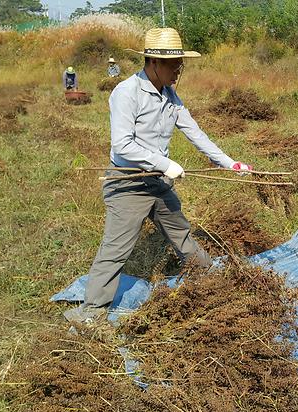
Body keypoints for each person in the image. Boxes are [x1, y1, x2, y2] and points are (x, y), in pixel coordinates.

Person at [63, 28, 253, 323]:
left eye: (181, 65)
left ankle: (211, 279)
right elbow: (123, 145)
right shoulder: (126, 93)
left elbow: (195, 132)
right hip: (129, 183)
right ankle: (92, 314)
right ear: (153, 63)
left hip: (157, 182)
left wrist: (229, 163)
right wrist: (165, 164)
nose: (178, 71)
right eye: (174, 65)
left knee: (181, 233)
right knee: (115, 250)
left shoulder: (170, 96)